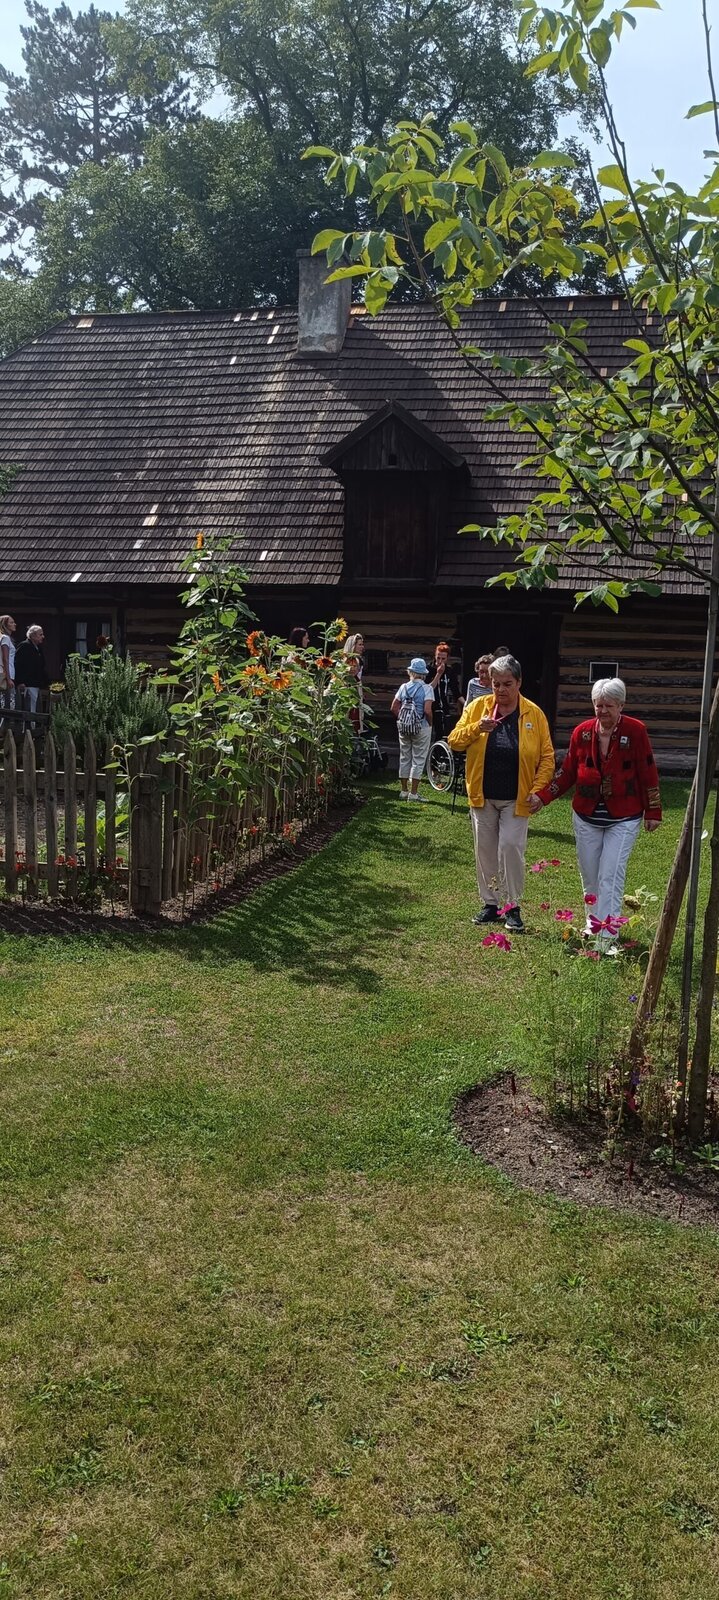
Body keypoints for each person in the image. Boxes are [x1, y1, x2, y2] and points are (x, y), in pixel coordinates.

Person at [531, 677, 661, 952]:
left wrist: (653, 810)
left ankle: (608, 937)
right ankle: (593, 926)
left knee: (610, 875)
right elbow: (567, 772)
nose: (602, 711)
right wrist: (543, 797)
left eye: (608, 706)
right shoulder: (582, 732)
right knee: (590, 876)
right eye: (598, 705)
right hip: (586, 816)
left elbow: (648, 771)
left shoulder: (636, 731)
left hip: (624, 817)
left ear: (621, 705)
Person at [448, 653, 554, 933]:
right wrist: (477, 728)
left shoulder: (534, 714)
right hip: (483, 794)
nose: (501, 690)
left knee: (510, 847)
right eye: (496, 684)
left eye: (507, 684)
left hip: (517, 796)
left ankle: (513, 906)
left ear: (519, 683)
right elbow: (454, 741)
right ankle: (491, 904)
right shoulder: (477, 708)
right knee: (485, 850)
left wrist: (538, 790)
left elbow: (546, 757)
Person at [392, 657, 434, 802]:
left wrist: (403, 719)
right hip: (421, 726)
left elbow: (394, 707)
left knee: (405, 757)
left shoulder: (403, 687)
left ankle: (403, 791)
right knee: (418, 759)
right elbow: (427, 710)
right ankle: (414, 793)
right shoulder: (427, 689)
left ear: (410, 672)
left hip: (403, 727)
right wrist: (430, 724)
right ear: (423, 674)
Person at [429, 641, 464, 739]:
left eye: (443, 659)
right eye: (438, 658)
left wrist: (465, 703)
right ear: (435, 656)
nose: (440, 661)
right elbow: (428, 689)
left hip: (443, 707)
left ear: (447, 658)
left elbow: (455, 691)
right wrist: (438, 674)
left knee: (441, 734)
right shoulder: (429, 669)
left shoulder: (449, 671)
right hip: (429, 706)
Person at [14, 624, 49, 716]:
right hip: (27, 683)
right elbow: (18, 664)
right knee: (29, 707)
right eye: (40, 634)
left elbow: (41, 666)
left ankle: (32, 724)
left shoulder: (38, 648)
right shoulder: (24, 646)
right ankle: (28, 724)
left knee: (35, 707)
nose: (43, 637)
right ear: (33, 636)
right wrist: (20, 681)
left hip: (36, 682)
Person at [344, 632, 365, 732]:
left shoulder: (357, 659)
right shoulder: (350, 661)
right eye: (360, 644)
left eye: (362, 644)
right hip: (350, 691)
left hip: (356, 689)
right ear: (353, 646)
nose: (362, 647)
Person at [0, 614, 16, 709]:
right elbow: (5, 658)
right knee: (9, 701)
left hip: (5, 672)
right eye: (11, 622)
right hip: (5, 673)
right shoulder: (5, 638)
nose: (14, 624)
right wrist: (8, 678)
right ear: (5, 625)